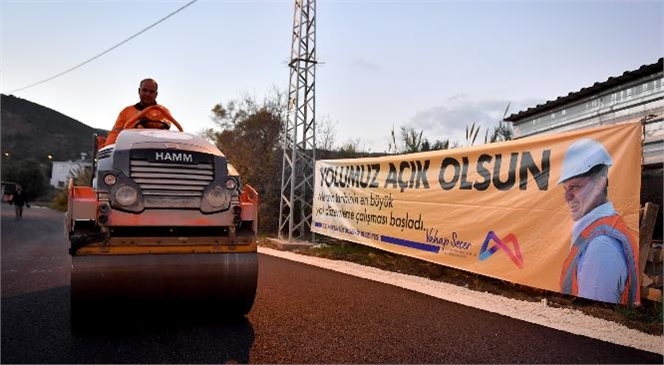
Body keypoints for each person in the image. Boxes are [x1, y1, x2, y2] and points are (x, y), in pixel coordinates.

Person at [557, 138, 639, 305]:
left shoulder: (601, 245)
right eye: (566, 188)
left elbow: (593, 316)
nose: (567, 197)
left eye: (575, 187)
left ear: (599, 185)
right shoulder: (597, 231)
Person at [103, 78, 167, 146]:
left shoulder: (164, 112)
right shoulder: (126, 112)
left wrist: (146, 124)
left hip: (155, 150)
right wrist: (108, 146)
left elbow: (165, 131)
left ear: (156, 94)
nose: (147, 94)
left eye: (151, 92)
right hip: (129, 150)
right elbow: (115, 134)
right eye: (144, 90)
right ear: (139, 91)